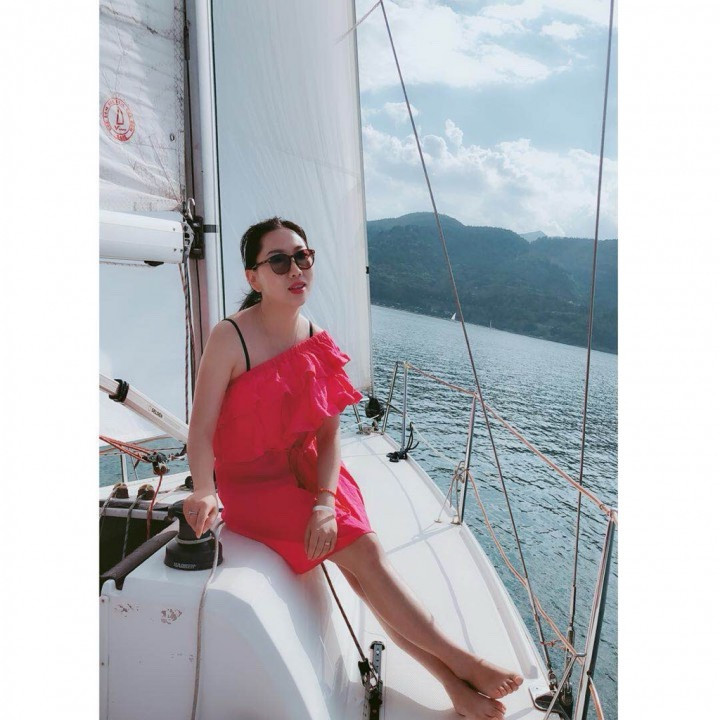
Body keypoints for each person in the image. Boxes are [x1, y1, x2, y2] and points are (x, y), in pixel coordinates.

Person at [184, 216, 523, 719]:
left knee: (366, 572)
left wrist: (324, 503)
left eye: (303, 256)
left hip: (310, 471)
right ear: (254, 276)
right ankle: (462, 662)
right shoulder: (230, 337)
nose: (295, 269)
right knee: (365, 554)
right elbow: (200, 429)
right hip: (253, 486)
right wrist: (204, 489)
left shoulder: (316, 339)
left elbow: (328, 436)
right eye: (279, 261)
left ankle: (455, 687)